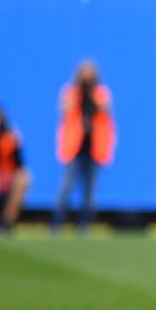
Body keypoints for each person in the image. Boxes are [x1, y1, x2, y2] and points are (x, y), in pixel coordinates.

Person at [51, 60, 115, 233]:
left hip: (94, 148)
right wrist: (80, 92)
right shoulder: (70, 92)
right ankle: (56, 224)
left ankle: (84, 225)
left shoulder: (101, 93)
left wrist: (91, 95)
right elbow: (65, 110)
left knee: (89, 191)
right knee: (66, 187)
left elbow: (105, 109)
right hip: (74, 148)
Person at [0, 106, 31, 232]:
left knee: (24, 177)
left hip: (6, 178)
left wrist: (17, 142)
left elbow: (20, 164)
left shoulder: (10, 137)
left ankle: (7, 221)